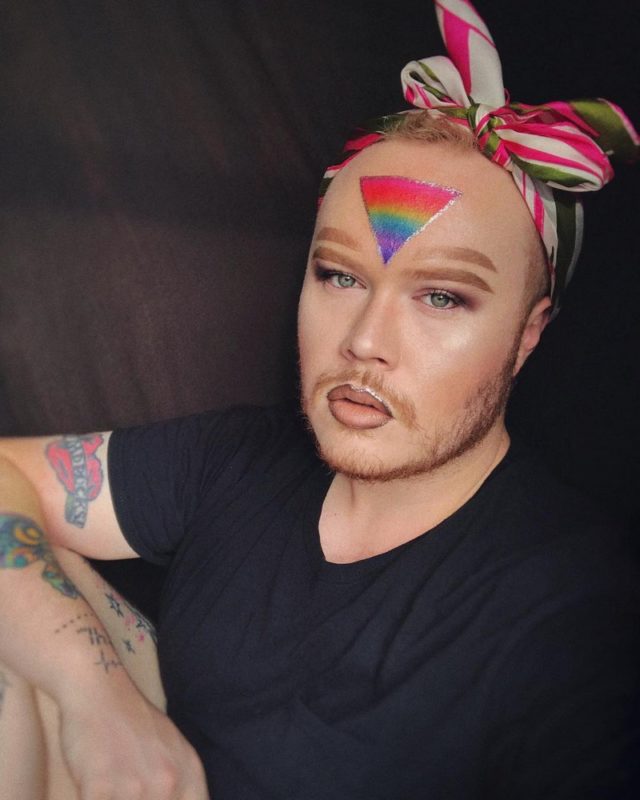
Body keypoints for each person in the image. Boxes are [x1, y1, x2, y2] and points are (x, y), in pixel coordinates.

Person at [1, 1, 638, 798]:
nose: (365, 341)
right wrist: (96, 697)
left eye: (442, 297)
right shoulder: (238, 461)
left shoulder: (573, 614)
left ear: (527, 335)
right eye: (340, 276)